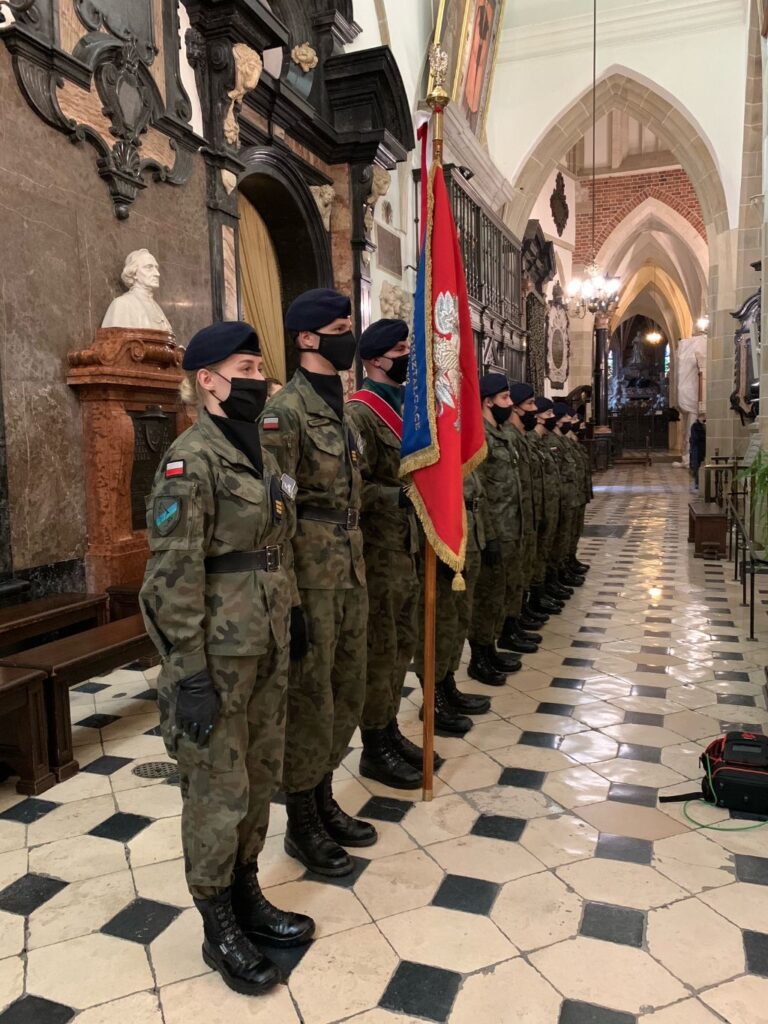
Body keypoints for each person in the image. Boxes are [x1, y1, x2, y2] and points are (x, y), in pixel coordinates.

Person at [139, 321, 314, 998]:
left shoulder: (264, 453)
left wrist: (293, 611)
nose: (258, 378)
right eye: (245, 367)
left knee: (260, 771)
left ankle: (247, 896)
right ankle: (219, 925)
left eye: (260, 367)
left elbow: (278, 545)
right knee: (217, 790)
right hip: (217, 653)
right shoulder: (191, 460)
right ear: (208, 379)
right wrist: (186, 673)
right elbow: (170, 578)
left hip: (264, 640)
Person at [259, 288, 375, 878]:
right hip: (311, 573)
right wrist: (291, 600)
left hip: (350, 568)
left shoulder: (346, 407)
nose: (348, 333)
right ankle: (301, 820)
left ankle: (323, 796)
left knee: (346, 686)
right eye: (338, 326)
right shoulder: (286, 412)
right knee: (310, 697)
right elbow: (275, 514)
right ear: (307, 338)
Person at [346, 318, 424, 788]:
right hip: (376, 551)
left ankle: (389, 726)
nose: (407, 356)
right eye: (400, 349)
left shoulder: (407, 407)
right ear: (377, 359)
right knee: (380, 649)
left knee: (402, 644)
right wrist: (396, 497)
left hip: (406, 544)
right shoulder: (359, 413)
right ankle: (374, 744)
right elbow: (350, 489)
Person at [468, 373, 523, 684]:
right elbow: (480, 492)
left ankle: (489, 648)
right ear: (487, 401)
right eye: (504, 398)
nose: (510, 404)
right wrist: (487, 535)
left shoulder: (501, 433)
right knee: (486, 597)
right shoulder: (480, 439)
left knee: (498, 593)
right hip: (491, 531)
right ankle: (479, 656)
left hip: (509, 525)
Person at [502, 382, 546, 653]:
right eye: (529, 405)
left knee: (519, 575)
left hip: (522, 518)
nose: (535, 411)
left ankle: (515, 621)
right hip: (505, 523)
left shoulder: (518, 438)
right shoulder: (502, 436)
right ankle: (504, 633)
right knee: (504, 583)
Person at [526, 397, 566, 615]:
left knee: (547, 549)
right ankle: (534, 598)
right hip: (530, 512)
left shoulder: (541, 440)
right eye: (549, 414)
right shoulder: (530, 440)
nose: (554, 419)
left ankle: (545, 588)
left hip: (548, 505)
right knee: (535, 556)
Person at [690, 410, 706, 491]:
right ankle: (697, 483)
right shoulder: (695, 426)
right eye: (703, 417)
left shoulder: (704, 425)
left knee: (701, 465)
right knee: (696, 466)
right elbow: (695, 438)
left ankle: (701, 483)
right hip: (697, 448)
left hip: (703, 448)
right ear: (700, 417)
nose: (704, 418)